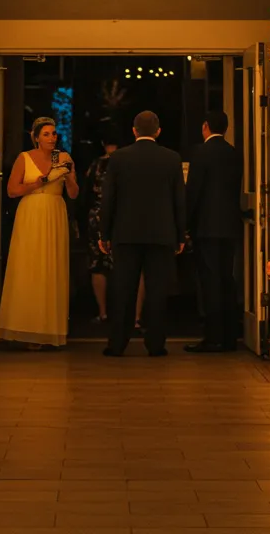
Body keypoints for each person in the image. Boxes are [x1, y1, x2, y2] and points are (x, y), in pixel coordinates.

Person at [99, 109, 185, 358]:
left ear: (133, 131)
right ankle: (156, 344)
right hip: (161, 233)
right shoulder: (171, 158)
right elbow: (179, 199)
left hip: (125, 233)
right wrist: (180, 234)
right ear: (158, 132)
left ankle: (117, 343)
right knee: (157, 291)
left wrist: (105, 233)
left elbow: (109, 199)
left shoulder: (119, 158)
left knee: (123, 289)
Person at [0, 116, 78, 348]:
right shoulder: (25, 158)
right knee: (28, 265)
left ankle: (49, 330)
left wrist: (68, 177)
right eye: (46, 134)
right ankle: (25, 329)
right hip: (31, 211)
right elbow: (12, 191)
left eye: (54, 134)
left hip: (54, 211)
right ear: (35, 137)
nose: (52, 138)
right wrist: (39, 182)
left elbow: (73, 193)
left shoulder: (63, 158)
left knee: (51, 266)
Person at [184, 108, 242, 353]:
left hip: (206, 226)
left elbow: (194, 191)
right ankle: (230, 336)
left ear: (205, 126)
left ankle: (212, 336)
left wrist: (185, 222)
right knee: (227, 279)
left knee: (209, 282)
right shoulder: (233, 153)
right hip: (229, 224)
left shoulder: (201, 153)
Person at [83, 128, 145, 328]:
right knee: (133, 266)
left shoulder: (95, 166)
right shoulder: (129, 163)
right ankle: (134, 317)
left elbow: (86, 195)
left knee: (98, 265)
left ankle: (103, 312)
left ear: (103, 143)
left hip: (98, 217)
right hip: (126, 217)